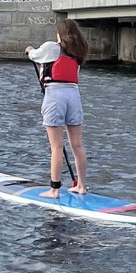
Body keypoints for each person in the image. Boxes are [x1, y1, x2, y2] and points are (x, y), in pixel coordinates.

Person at [24, 18, 89, 198]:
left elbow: (34, 55)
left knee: (56, 146)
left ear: (60, 34)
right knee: (77, 144)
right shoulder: (78, 53)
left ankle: (54, 190)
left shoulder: (52, 47)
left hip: (55, 95)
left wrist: (29, 49)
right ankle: (82, 186)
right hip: (74, 96)